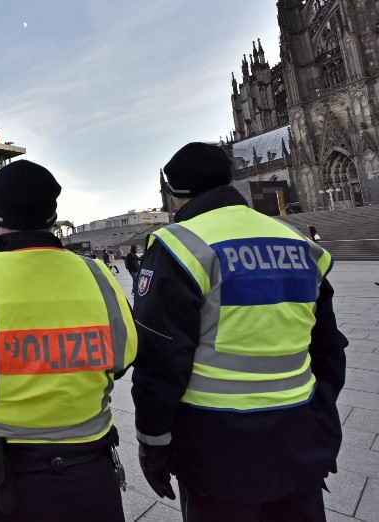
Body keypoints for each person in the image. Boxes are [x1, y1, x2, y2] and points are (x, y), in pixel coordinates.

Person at [131, 142, 347, 522]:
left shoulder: (179, 245)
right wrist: (320, 418)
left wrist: (154, 442)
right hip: (299, 437)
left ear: (175, 192)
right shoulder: (296, 240)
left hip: (218, 447)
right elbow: (329, 348)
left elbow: (161, 361)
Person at [0, 159, 137, 521]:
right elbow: (123, 359)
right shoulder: (98, 276)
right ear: (53, 214)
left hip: (0, 488)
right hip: (91, 480)